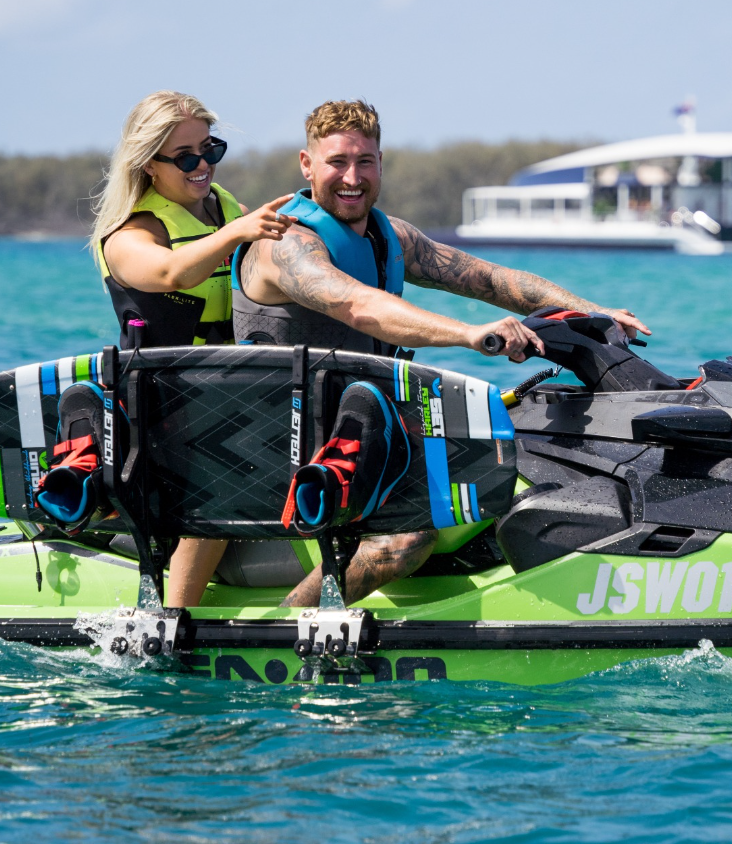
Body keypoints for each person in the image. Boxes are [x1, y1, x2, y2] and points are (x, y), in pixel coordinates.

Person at [232, 99, 651, 607]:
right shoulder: (285, 243)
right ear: (307, 165)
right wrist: (471, 336)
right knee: (407, 538)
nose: (352, 176)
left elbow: (491, 279)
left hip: (366, 431)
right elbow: (359, 306)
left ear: (381, 164)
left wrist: (592, 310)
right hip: (286, 445)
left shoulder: (390, 239)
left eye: (365, 161)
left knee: (523, 451)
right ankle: (286, 626)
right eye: (337, 161)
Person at [89, 90, 295, 607]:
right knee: (230, 466)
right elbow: (170, 271)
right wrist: (237, 234)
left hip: (236, 391)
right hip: (165, 405)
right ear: (148, 165)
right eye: (185, 157)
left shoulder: (225, 208)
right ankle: (167, 623)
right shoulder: (130, 234)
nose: (203, 165)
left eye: (211, 149)